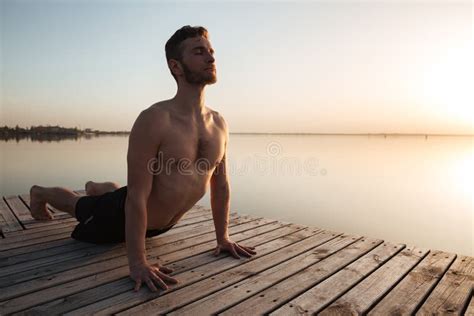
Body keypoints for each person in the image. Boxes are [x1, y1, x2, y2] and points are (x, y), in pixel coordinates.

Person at [29, 25, 256, 293]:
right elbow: (136, 197)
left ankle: (99, 188)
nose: (211, 57)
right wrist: (137, 263)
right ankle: (40, 193)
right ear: (176, 67)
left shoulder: (219, 123)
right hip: (121, 217)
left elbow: (221, 186)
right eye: (199, 52)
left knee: (119, 193)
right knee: (79, 206)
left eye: (211, 51)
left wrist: (223, 238)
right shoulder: (155, 119)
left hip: (161, 226)